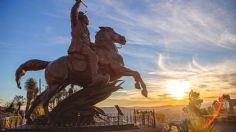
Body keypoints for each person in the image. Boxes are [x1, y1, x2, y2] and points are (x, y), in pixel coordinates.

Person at [68, 0, 98, 82]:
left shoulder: (87, 30)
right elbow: (73, 12)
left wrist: (95, 45)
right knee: (93, 56)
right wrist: (78, 3)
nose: (88, 19)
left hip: (85, 47)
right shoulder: (76, 23)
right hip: (79, 47)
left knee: (97, 53)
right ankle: (94, 78)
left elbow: (88, 42)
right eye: (87, 17)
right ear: (83, 18)